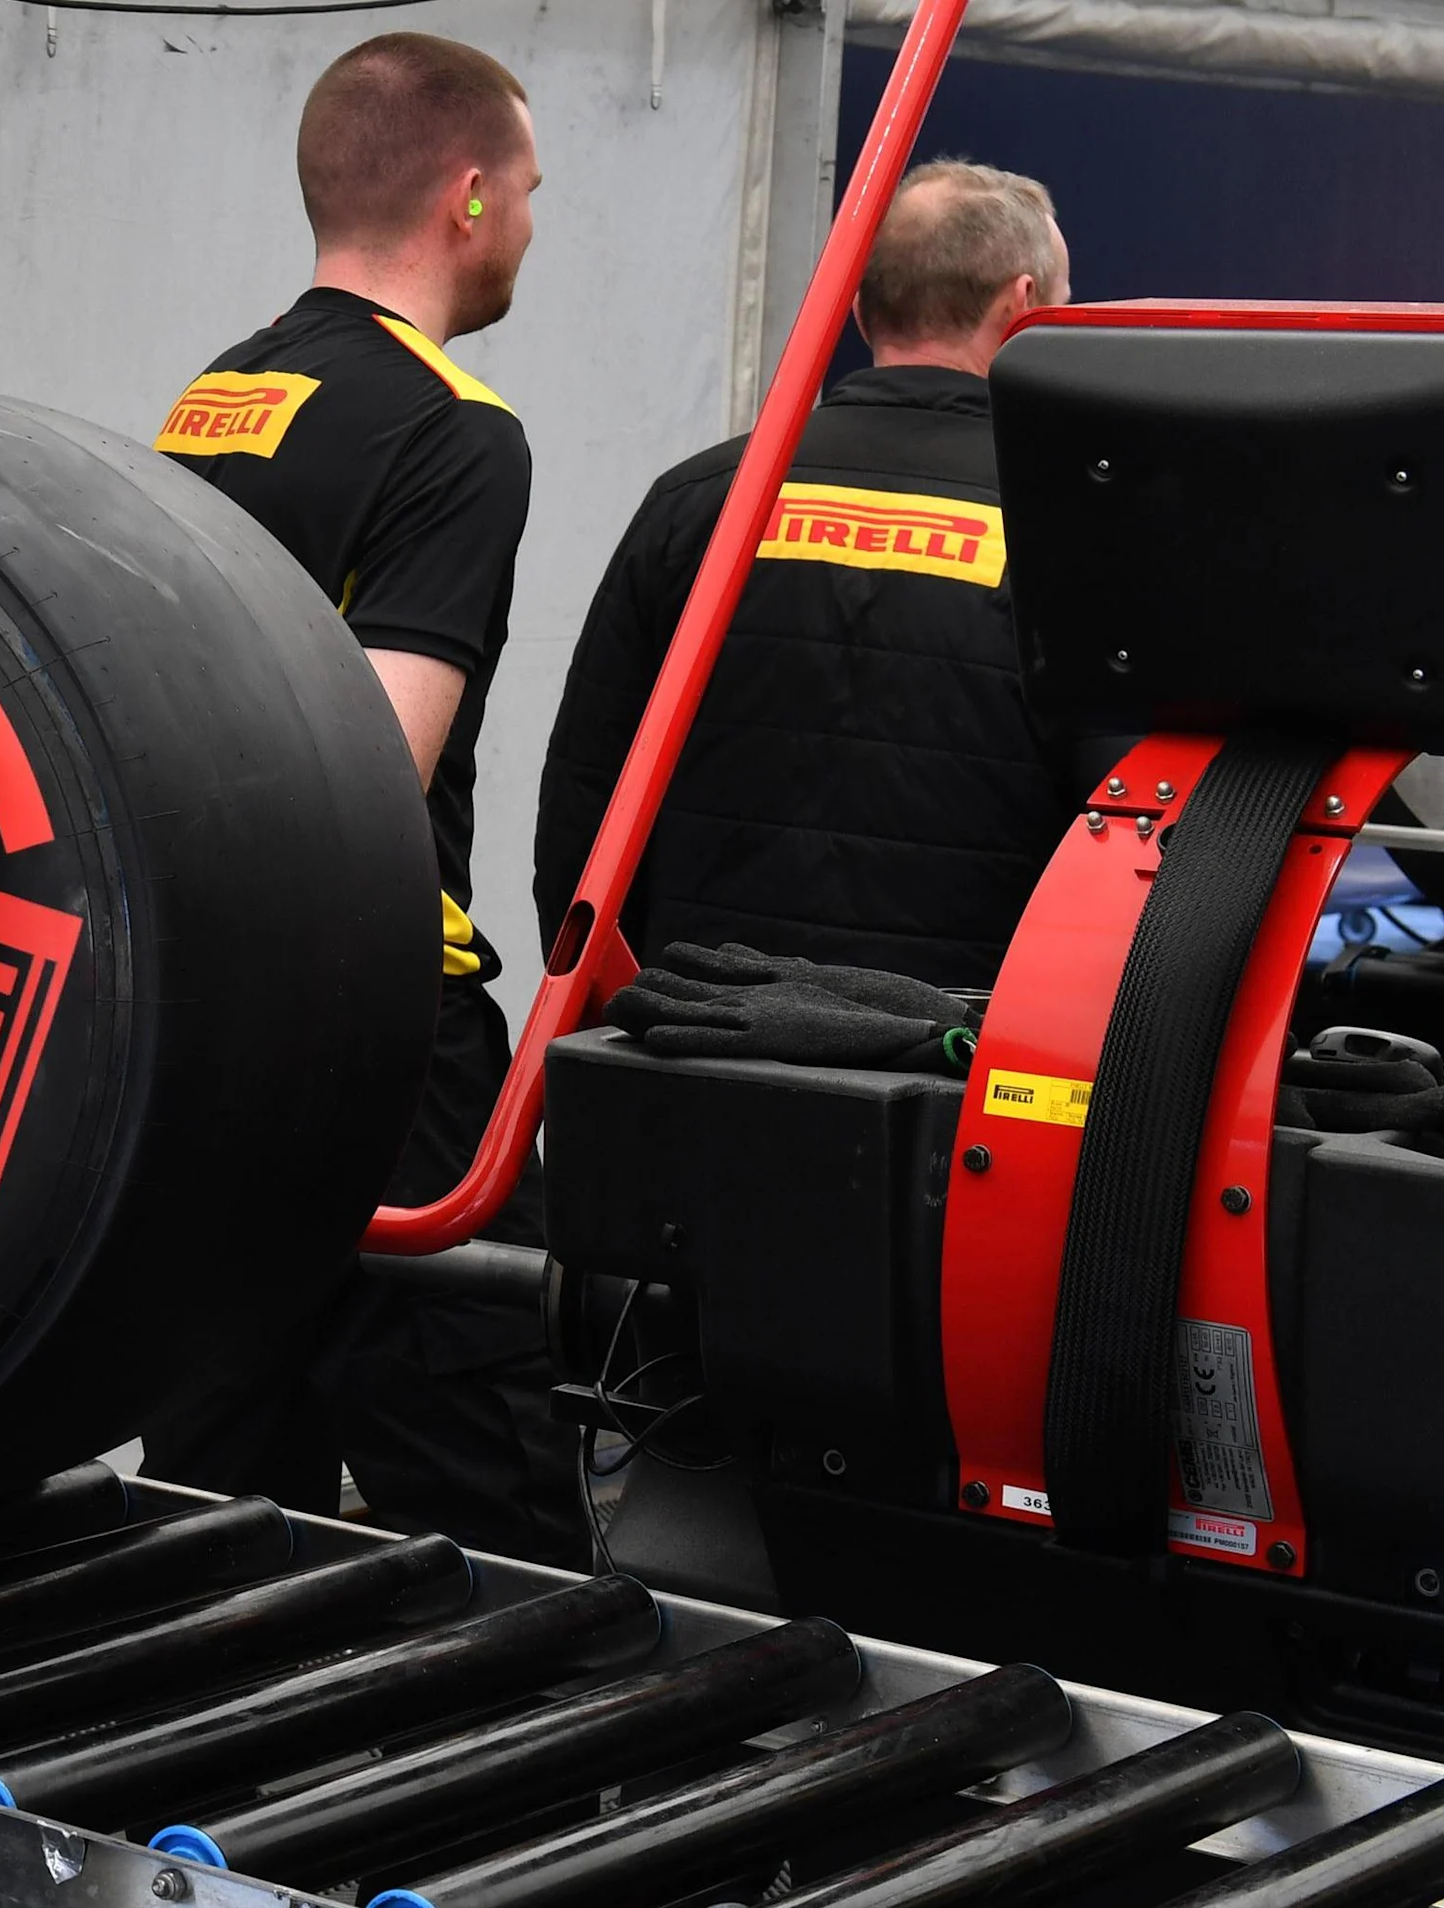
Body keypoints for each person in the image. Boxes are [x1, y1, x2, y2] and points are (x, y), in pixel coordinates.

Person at [139, 33, 587, 1567]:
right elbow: (373, 759)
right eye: (526, 190)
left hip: (214, 1014)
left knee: (220, 1467)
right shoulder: (458, 427)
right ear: (468, 197)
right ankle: (562, 1789)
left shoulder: (222, 394)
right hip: (390, 1027)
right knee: (494, 1481)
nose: (531, 222)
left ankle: (180, 1779)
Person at [535, 161, 1081, 988]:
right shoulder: (1073, 531)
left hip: (688, 1046)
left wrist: (610, 1033)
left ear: (861, 309)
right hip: (948, 1067)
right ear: (1024, 306)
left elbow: (584, 803)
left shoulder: (701, 502)